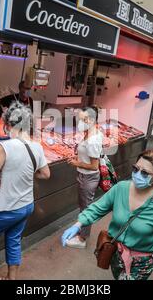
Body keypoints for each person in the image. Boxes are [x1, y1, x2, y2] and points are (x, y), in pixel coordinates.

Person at [61, 150, 153, 280]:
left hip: (140, 264)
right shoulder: (121, 188)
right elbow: (97, 208)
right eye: (135, 169)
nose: (137, 175)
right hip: (116, 256)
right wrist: (78, 224)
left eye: (145, 173)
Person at [0, 102, 50, 280]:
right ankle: (12, 278)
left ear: (10, 125)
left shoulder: (5, 147)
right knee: (13, 241)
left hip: (5, 209)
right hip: (26, 206)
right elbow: (45, 174)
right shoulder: (37, 147)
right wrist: (26, 173)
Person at [65, 106, 104, 249]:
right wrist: (78, 157)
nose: (79, 122)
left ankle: (82, 239)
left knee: (86, 209)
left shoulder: (92, 139)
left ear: (92, 120)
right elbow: (88, 157)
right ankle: (81, 232)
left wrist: (77, 163)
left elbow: (94, 166)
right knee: (83, 207)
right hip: (84, 176)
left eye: (83, 119)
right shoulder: (90, 133)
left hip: (88, 178)